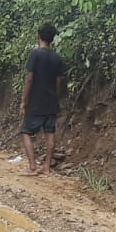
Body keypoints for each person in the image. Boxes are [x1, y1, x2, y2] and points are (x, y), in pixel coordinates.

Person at [19, 22, 67, 175]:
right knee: (50, 133)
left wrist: (24, 101)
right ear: (52, 39)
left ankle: (32, 166)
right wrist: (55, 96)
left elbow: (29, 78)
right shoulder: (57, 58)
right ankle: (46, 167)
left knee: (26, 132)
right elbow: (60, 81)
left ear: (38, 37)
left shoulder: (35, 54)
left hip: (36, 102)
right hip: (52, 102)